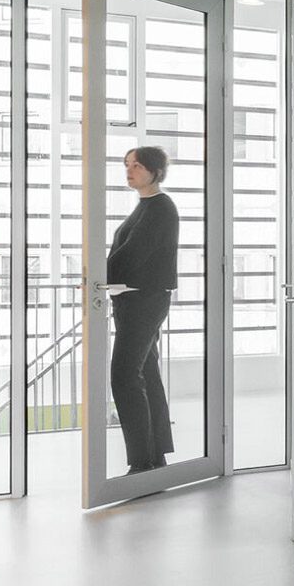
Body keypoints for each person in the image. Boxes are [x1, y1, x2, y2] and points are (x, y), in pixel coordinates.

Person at [106, 146, 179, 477]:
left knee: (123, 376)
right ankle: (154, 458)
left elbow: (133, 255)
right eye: (126, 165)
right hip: (133, 301)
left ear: (155, 171)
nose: (129, 170)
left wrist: (96, 278)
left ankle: (141, 462)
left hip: (144, 302)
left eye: (136, 165)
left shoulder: (160, 208)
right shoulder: (146, 207)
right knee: (146, 374)